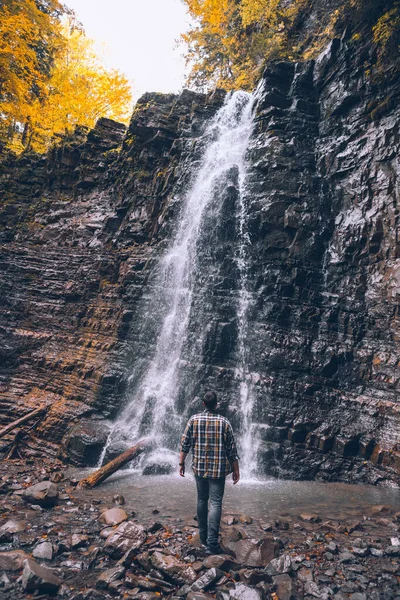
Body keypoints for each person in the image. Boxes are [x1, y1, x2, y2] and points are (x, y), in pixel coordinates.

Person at [179, 390, 240, 554]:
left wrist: (181, 463)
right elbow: (231, 450)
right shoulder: (224, 422)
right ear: (217, 404)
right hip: (218, 470)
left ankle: (204, 537)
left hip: (199, 467)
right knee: (215, 503)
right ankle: (213, 543)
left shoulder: (194, 420)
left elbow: (185, 443)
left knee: (201, 499)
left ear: (203, 404)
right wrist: (236, 470)